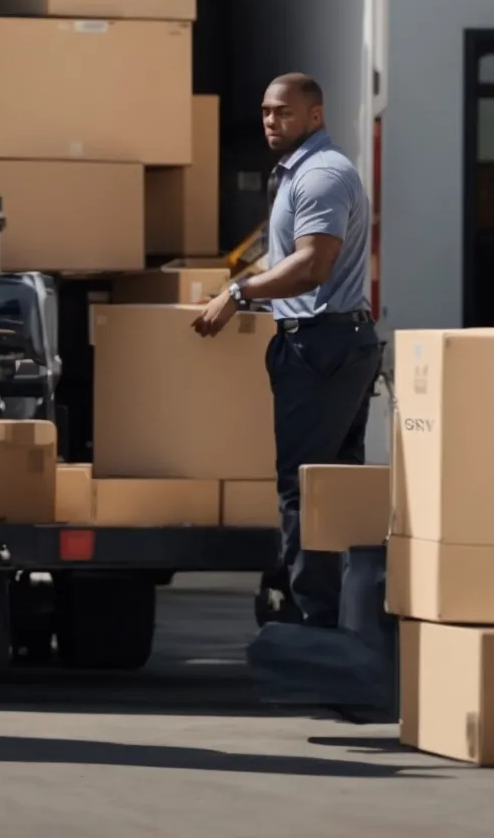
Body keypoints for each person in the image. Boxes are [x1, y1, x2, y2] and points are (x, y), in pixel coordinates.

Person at [192, 73, 376, 628]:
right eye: (267, 112)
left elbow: (311, 265)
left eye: (284, 113)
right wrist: (235, 290)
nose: (271, 121)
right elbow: (290, 261)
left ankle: (311, 623)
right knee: (335, 490)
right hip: (332, 343)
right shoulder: (303, 171)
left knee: (307, 490)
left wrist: (238, 294)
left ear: (315, 116)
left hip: (321, 347)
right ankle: (346, 621)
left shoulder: (320, 175)